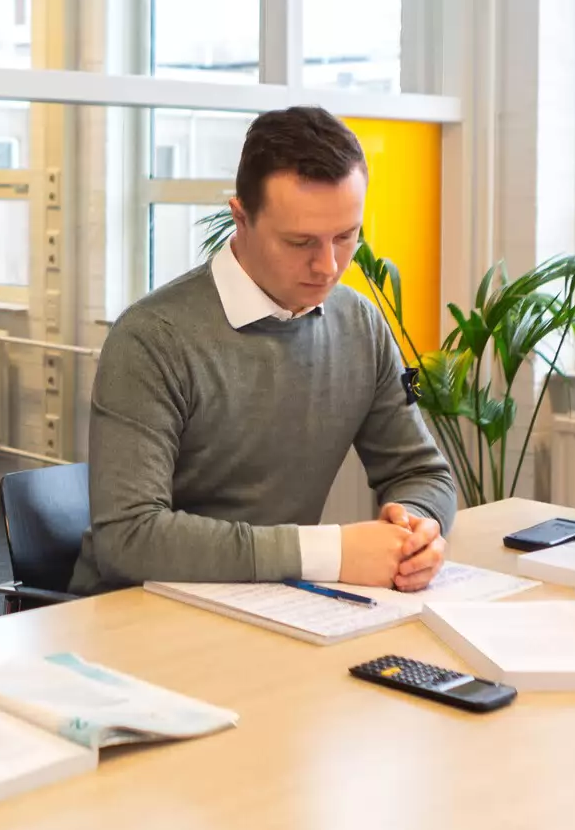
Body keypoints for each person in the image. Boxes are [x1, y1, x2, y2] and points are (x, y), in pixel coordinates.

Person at [70, 106, 456, 596]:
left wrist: (416, 531)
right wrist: (331, 553)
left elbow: (421, 472)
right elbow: (128, 539)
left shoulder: (358, 322)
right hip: (132, 613)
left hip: (273, 604)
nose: (328, 265)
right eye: (299, 242)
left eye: (346, 236)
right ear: (241, 218)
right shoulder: (152, 338)